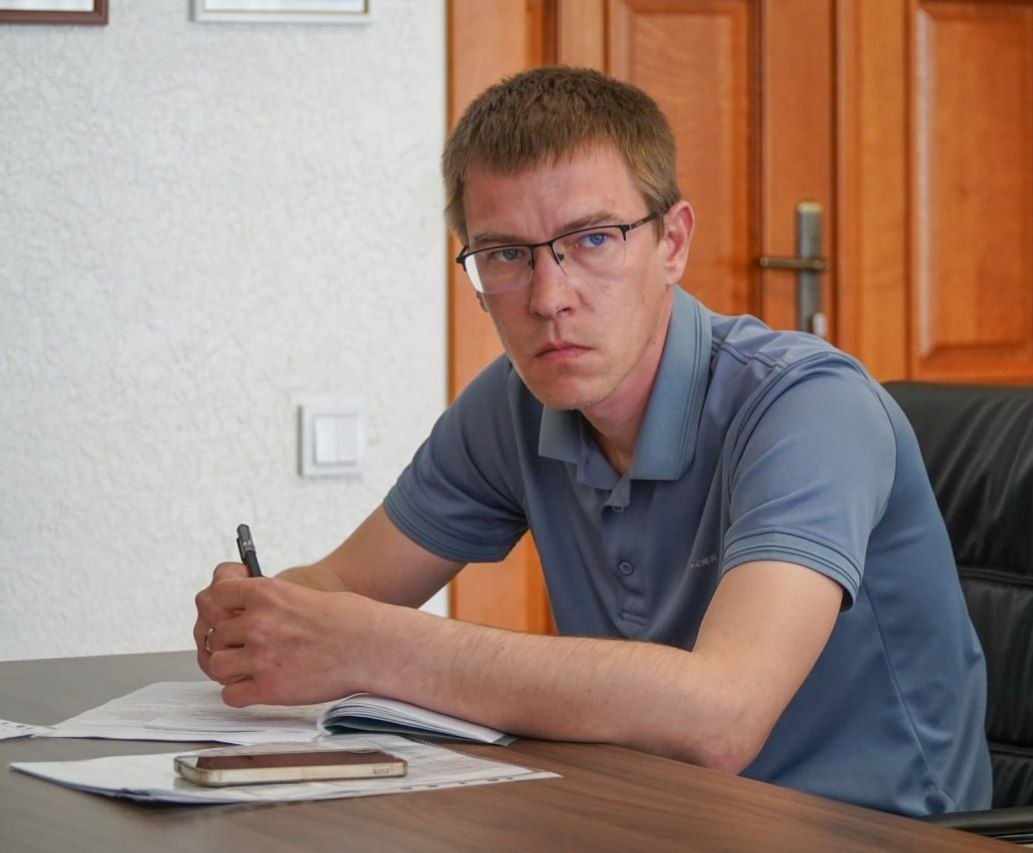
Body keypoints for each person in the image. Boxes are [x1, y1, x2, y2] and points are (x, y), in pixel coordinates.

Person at [194, 66, 991, 816]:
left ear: (671, 243)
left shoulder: (808, 407)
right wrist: (260, 618)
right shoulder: (514, 404)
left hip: (871, 833)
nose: (549, 297)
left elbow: (721, 713)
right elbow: (341, 588)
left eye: (593, 239)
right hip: (659, 818)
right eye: (506, 254)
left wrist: (372, 646)